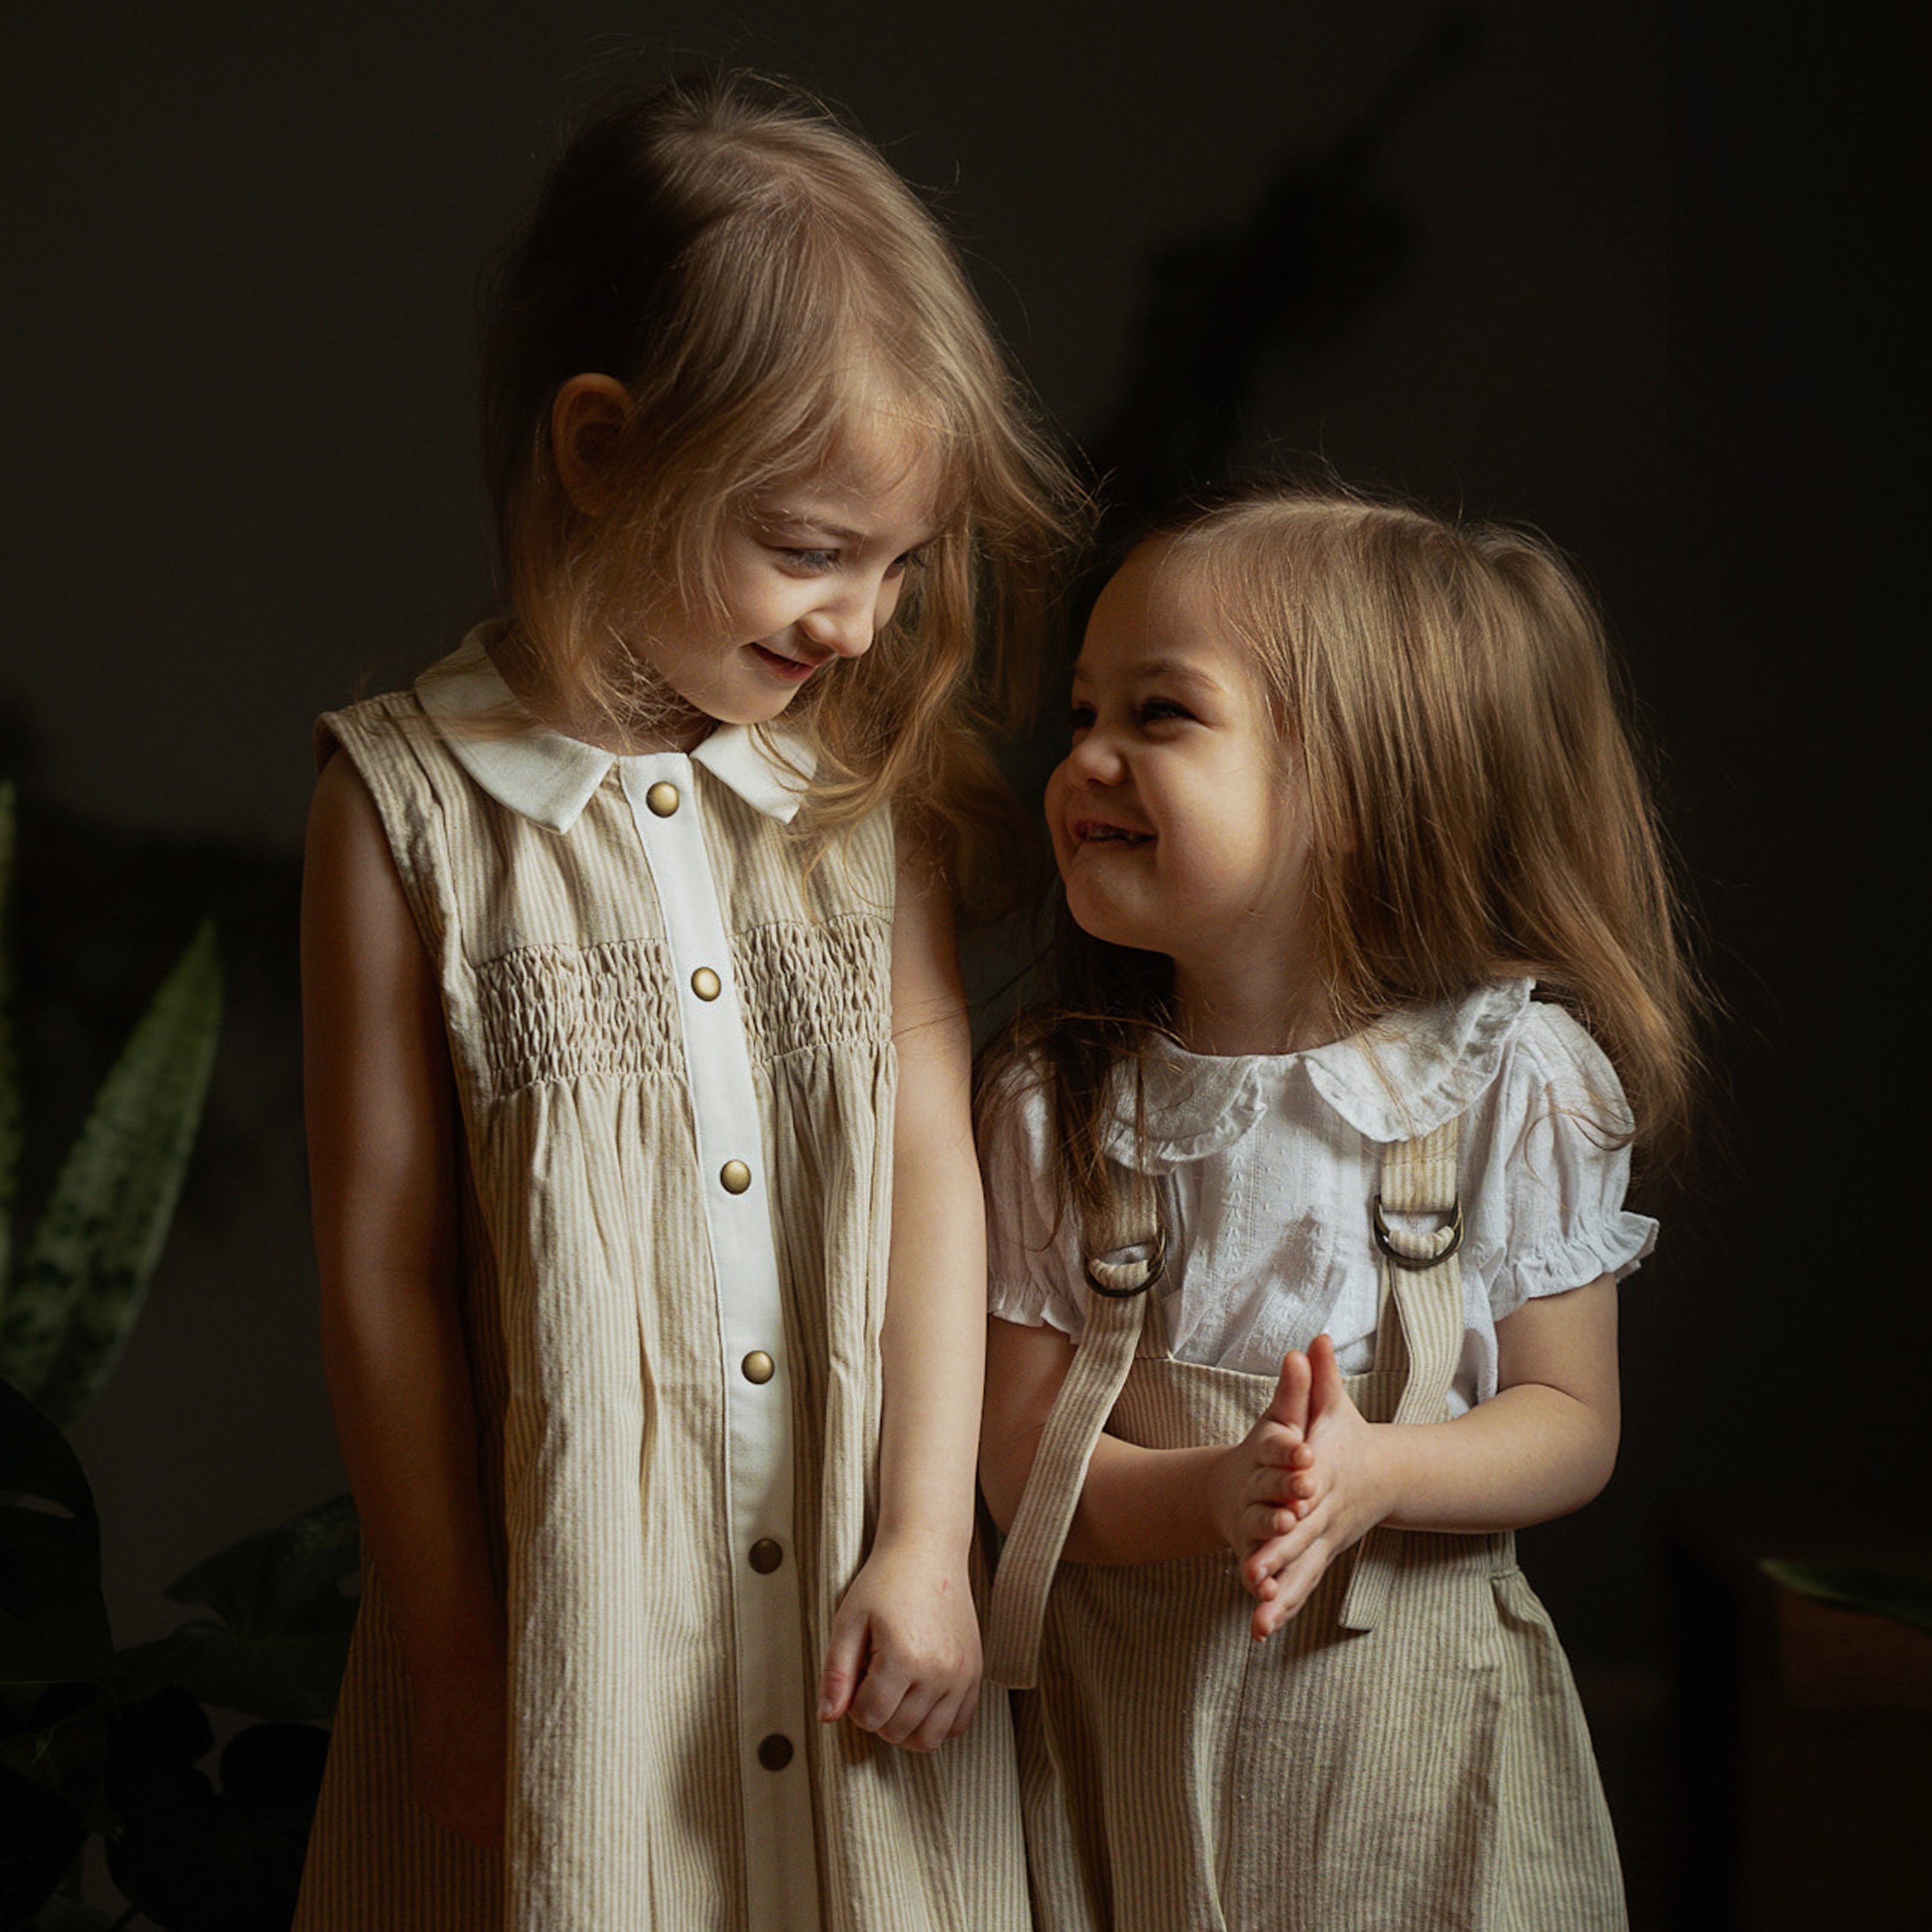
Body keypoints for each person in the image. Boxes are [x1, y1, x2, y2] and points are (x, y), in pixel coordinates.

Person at [296, 73, 1075, 1932]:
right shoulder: (404, 814)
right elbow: (382, 1271)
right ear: (598, 450)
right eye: (810, 548)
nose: (863, 625)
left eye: (903, 566)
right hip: (588, 1644)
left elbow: (924, 1156)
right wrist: (465, 1668)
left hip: (859, 1632)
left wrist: (922, 1539)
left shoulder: (853, 790)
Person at [976, 483, 1700, 1930]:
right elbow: (1018, 1467)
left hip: (1421, 1779)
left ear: (1364, 797)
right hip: (1133, 1758)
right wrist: (1202, 1491)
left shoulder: (1514, 1084)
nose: (1086, 758)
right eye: (1080, 713)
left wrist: (1377, 1472)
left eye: (1159, 714)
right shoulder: (1056, 1109)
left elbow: (1571, 1422)